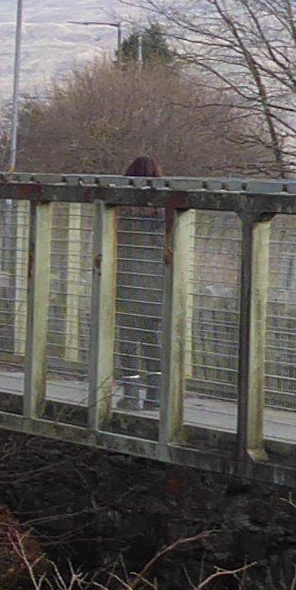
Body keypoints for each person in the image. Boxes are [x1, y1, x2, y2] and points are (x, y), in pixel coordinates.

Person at [118, 155, 164, 412]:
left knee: (127, 341)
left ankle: (131, 396)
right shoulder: (164, 207)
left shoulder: (122, 206)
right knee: (152, 339)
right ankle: (155, 396)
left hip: (126, 282)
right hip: (156, 282)